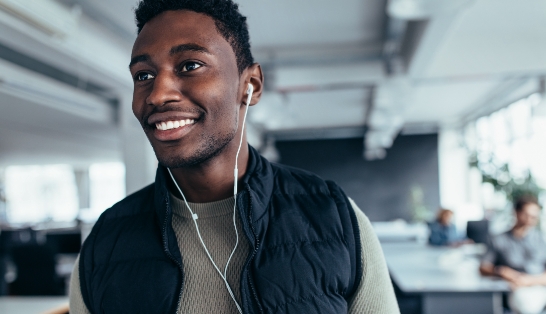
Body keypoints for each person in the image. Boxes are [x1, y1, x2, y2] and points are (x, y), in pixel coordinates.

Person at [68, 0, 400, 313]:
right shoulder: (105, 244)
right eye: (143, 75)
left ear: (250, 85)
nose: (158, 94)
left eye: (190, 65)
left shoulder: (335, 217)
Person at [480, 196, 546, 314]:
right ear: (516, 213)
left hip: (538, 286)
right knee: (524, 303)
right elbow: (483, 267)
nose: (531, 220)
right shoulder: (498, 239)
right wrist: (501, 271)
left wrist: (530, 281)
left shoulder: (541, 239)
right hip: (513, 288)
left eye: (534, 216)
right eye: (527, 215)